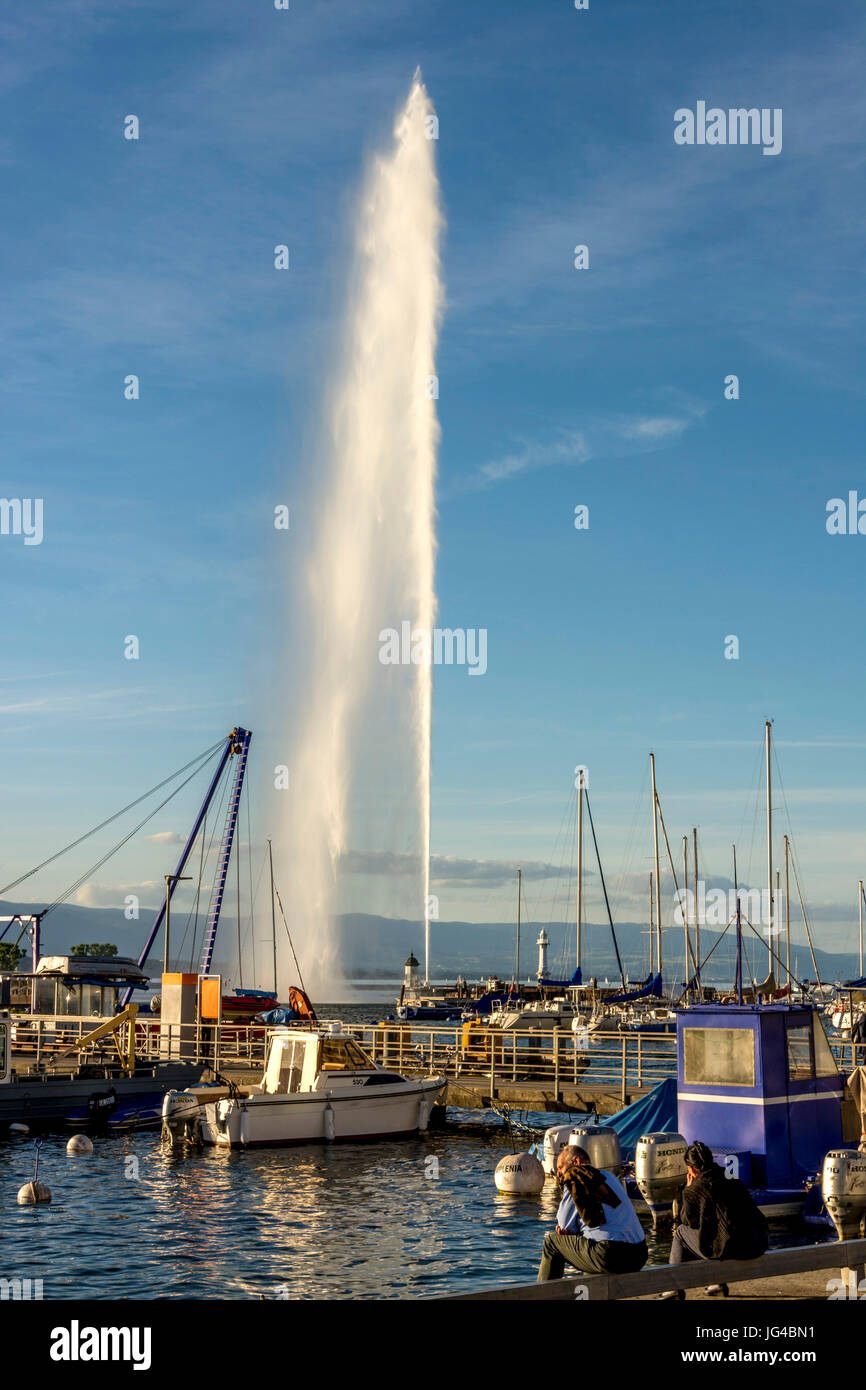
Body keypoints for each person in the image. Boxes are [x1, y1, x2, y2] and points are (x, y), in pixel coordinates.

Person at [661, 1140, 768, 1299]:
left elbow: (687, 1221)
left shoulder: (695, 1189)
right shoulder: (728, 1175)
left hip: (734, 1249)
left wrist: (688, 1189)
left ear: (690, 1168)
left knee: (681, 1233)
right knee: (718, 1232)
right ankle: (716, 1284)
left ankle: (673, 1288)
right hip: (757, 1241)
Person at [537, 1145, 648, 1281]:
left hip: (610, 1254)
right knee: (589, 1242)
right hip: (639, 1254)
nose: (558, 1173)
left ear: (576, 1161)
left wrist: (570, 1231)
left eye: (560, 1167)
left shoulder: (575, 1176)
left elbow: (564, 1227)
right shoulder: (610, 1177)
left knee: (552, 1243)